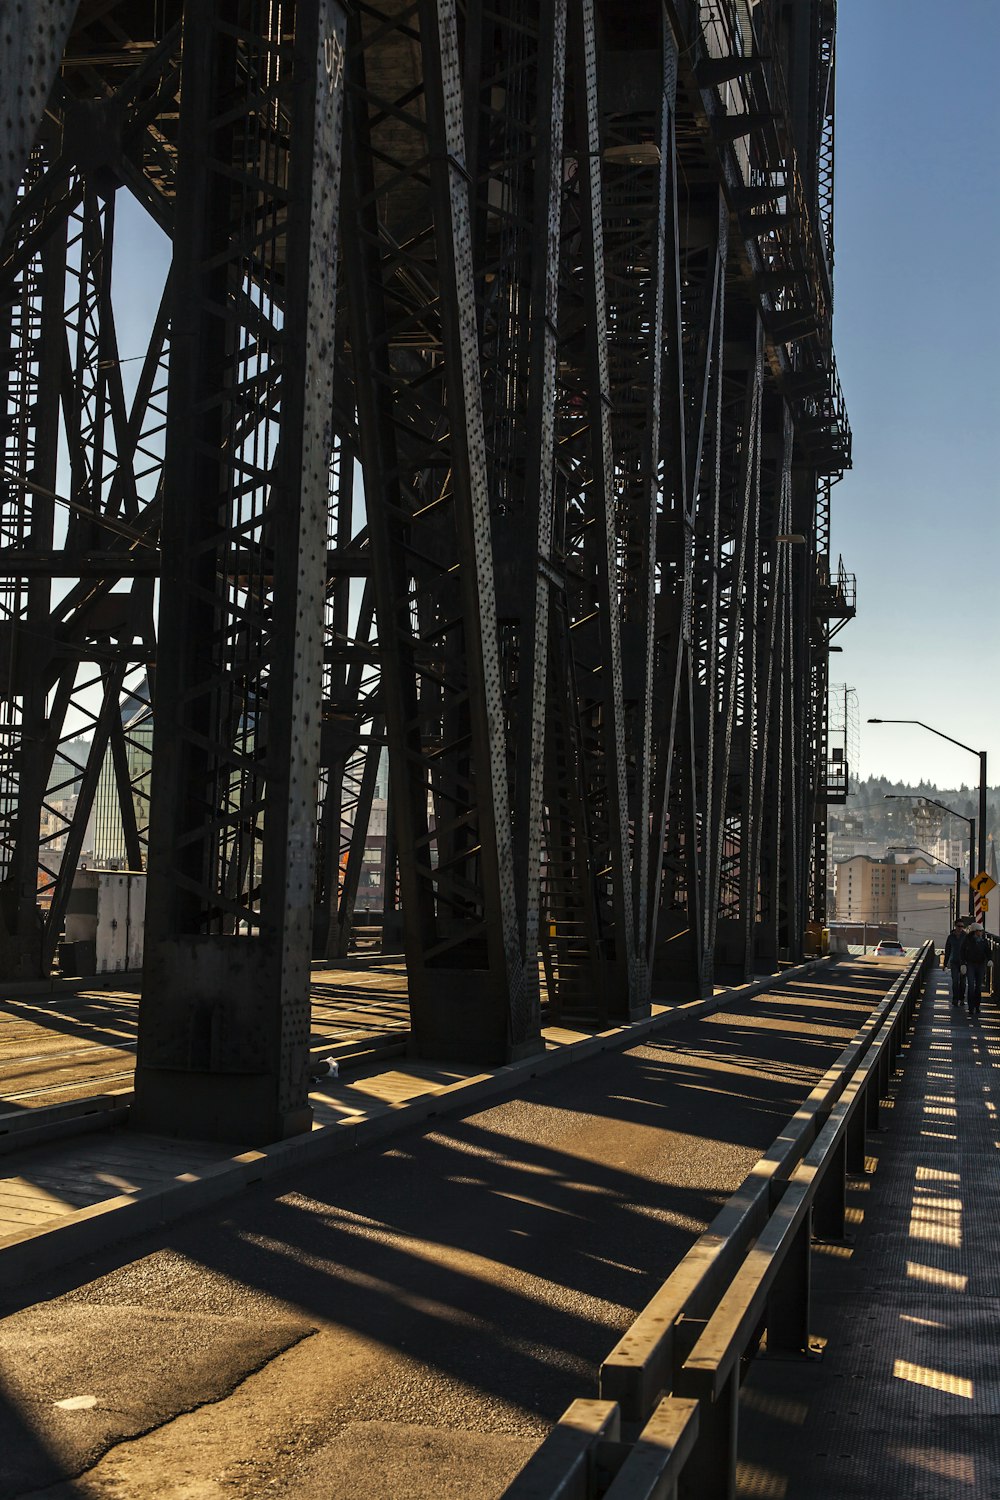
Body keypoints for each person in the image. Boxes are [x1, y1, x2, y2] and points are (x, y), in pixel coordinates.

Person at [961, 921, 990, 1019]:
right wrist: (963, 964)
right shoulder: (967, 940)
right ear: (974, 931)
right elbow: (962, 952)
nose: (981, 933)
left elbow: (988, 951)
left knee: (978, 987)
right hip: (970, 964)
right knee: (971, 987)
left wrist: (990, 959)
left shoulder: (983, 941)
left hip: (980, 965)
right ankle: (970, 1008)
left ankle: (977, 1006)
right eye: (979, 931)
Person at [943, 920, 967, 1008]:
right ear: (955, 926)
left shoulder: (966, 936)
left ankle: (962, 998)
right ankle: (955, 999)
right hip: (954, 962)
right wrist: (945, 964)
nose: (960, 928)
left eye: (962, 926)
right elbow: (947, 951)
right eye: (959, 926)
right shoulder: (951, 937)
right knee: (955, 981)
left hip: (964, 963)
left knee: (963, 982)